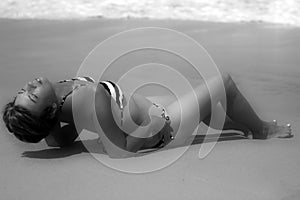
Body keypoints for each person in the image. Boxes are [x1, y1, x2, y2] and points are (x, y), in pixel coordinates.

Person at [2, 73, 292, 158]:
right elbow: (120, 150)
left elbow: (59, 139)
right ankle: (263, 130)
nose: (28, 86)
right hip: (162, 126)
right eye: (30, 96)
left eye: (22, 91)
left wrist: (50, 130)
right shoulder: (88, 99)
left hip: (151, 106)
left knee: (207, 110)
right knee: (224, 86)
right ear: (50, 111)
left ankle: (242, 127)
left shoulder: (62, 99)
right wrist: (152, 124)